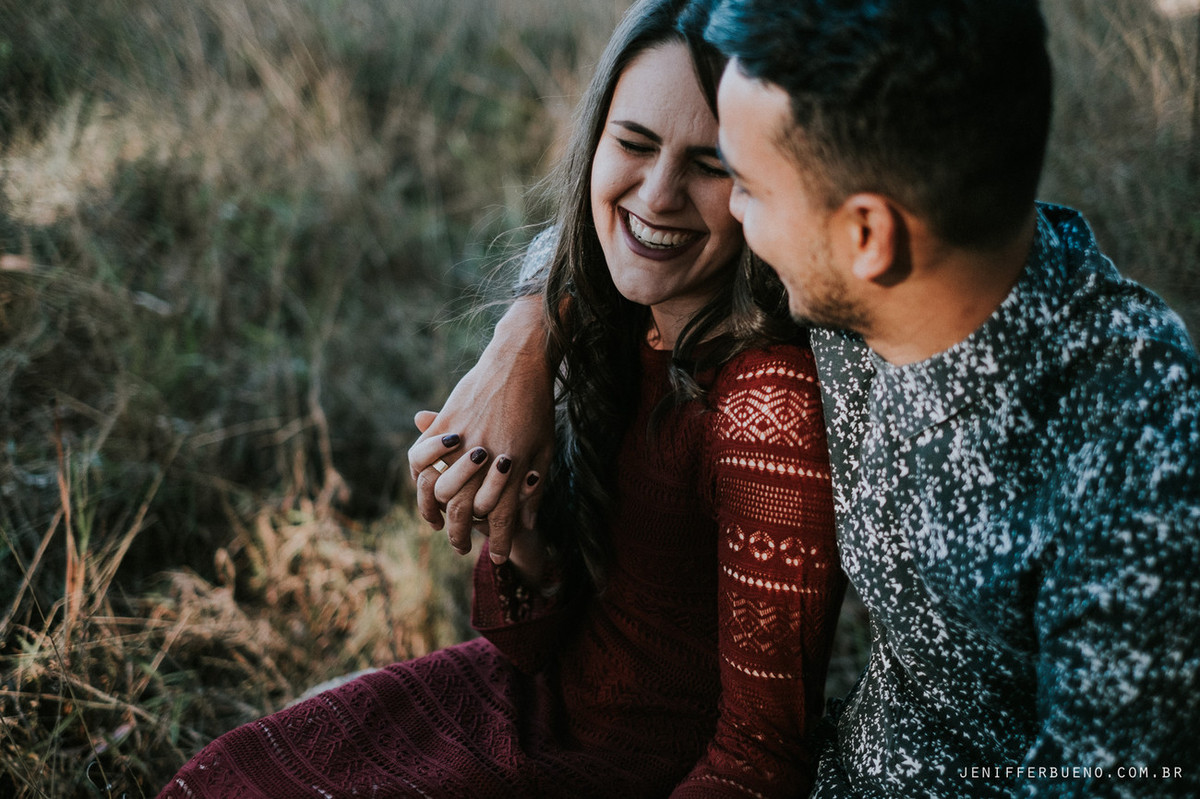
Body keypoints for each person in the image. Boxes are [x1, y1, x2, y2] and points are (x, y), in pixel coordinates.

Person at [418, 0, 1200, 796]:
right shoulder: (914, 258)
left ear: (867, 238)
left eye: (743, 183)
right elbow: (610, 227)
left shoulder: (1137, 470)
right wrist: (521, 342)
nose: (729, 220)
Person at [159, 1, 845, 797]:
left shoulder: (769, 401)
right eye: (634, 144)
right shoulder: (620, 319)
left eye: (709, 164)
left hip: (633, 772)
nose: (657, 195)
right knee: (227, 779)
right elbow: (537, 646)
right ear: (594, 145)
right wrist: (514, 532)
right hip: (534, 708)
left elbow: (759, 760)